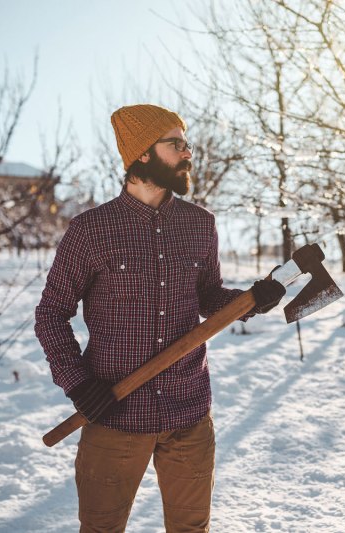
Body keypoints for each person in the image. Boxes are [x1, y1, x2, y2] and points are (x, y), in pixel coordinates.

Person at [35, 103, 286, 532]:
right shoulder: (91, 230)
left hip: (188, 415)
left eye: (186, 143)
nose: (188, 152)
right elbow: (51, 315)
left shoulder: (200, 224)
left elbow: (206, 295)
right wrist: (78, 384)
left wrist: (250, 300)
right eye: (176, 144)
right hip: (115, 414)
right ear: (142, 154)